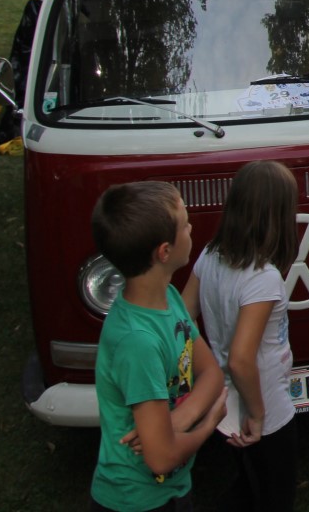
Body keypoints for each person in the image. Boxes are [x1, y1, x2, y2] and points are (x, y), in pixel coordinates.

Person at [89, 181, 228, 512]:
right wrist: (207, 425)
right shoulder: (137, 343)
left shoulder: (167, 298)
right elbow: (161, 458)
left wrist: (177, 421)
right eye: (185, 224)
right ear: (164, 251)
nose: (192, 227)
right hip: (135, 501)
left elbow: (211, 374)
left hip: (173, 490)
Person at [183, 161, 300, 512]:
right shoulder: (262, 279)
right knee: (276, 493)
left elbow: (184, 318)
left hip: (225, 401)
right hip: (263, 405)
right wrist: (259, 414)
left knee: (249, 482)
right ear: (278, 216)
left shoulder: (210, 254)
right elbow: (241, 358)